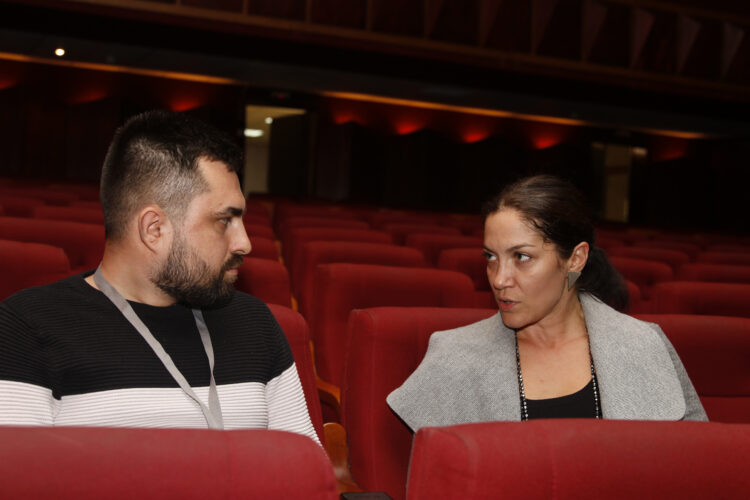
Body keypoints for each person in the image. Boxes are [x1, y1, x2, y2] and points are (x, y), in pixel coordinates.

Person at [0, 110, 319, 443]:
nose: (245, 243)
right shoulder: (26, 329)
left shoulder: (255, 323)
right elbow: (19, 471)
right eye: (225, 221)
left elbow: (305, 465)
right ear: (154, 229)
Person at [388, 175, 706, 430]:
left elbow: (693, 465)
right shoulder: (455, 355)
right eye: (491, 257)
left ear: (575, 259)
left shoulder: (644, 343)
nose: (499, 279)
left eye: (521, 257)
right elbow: (434, 477)